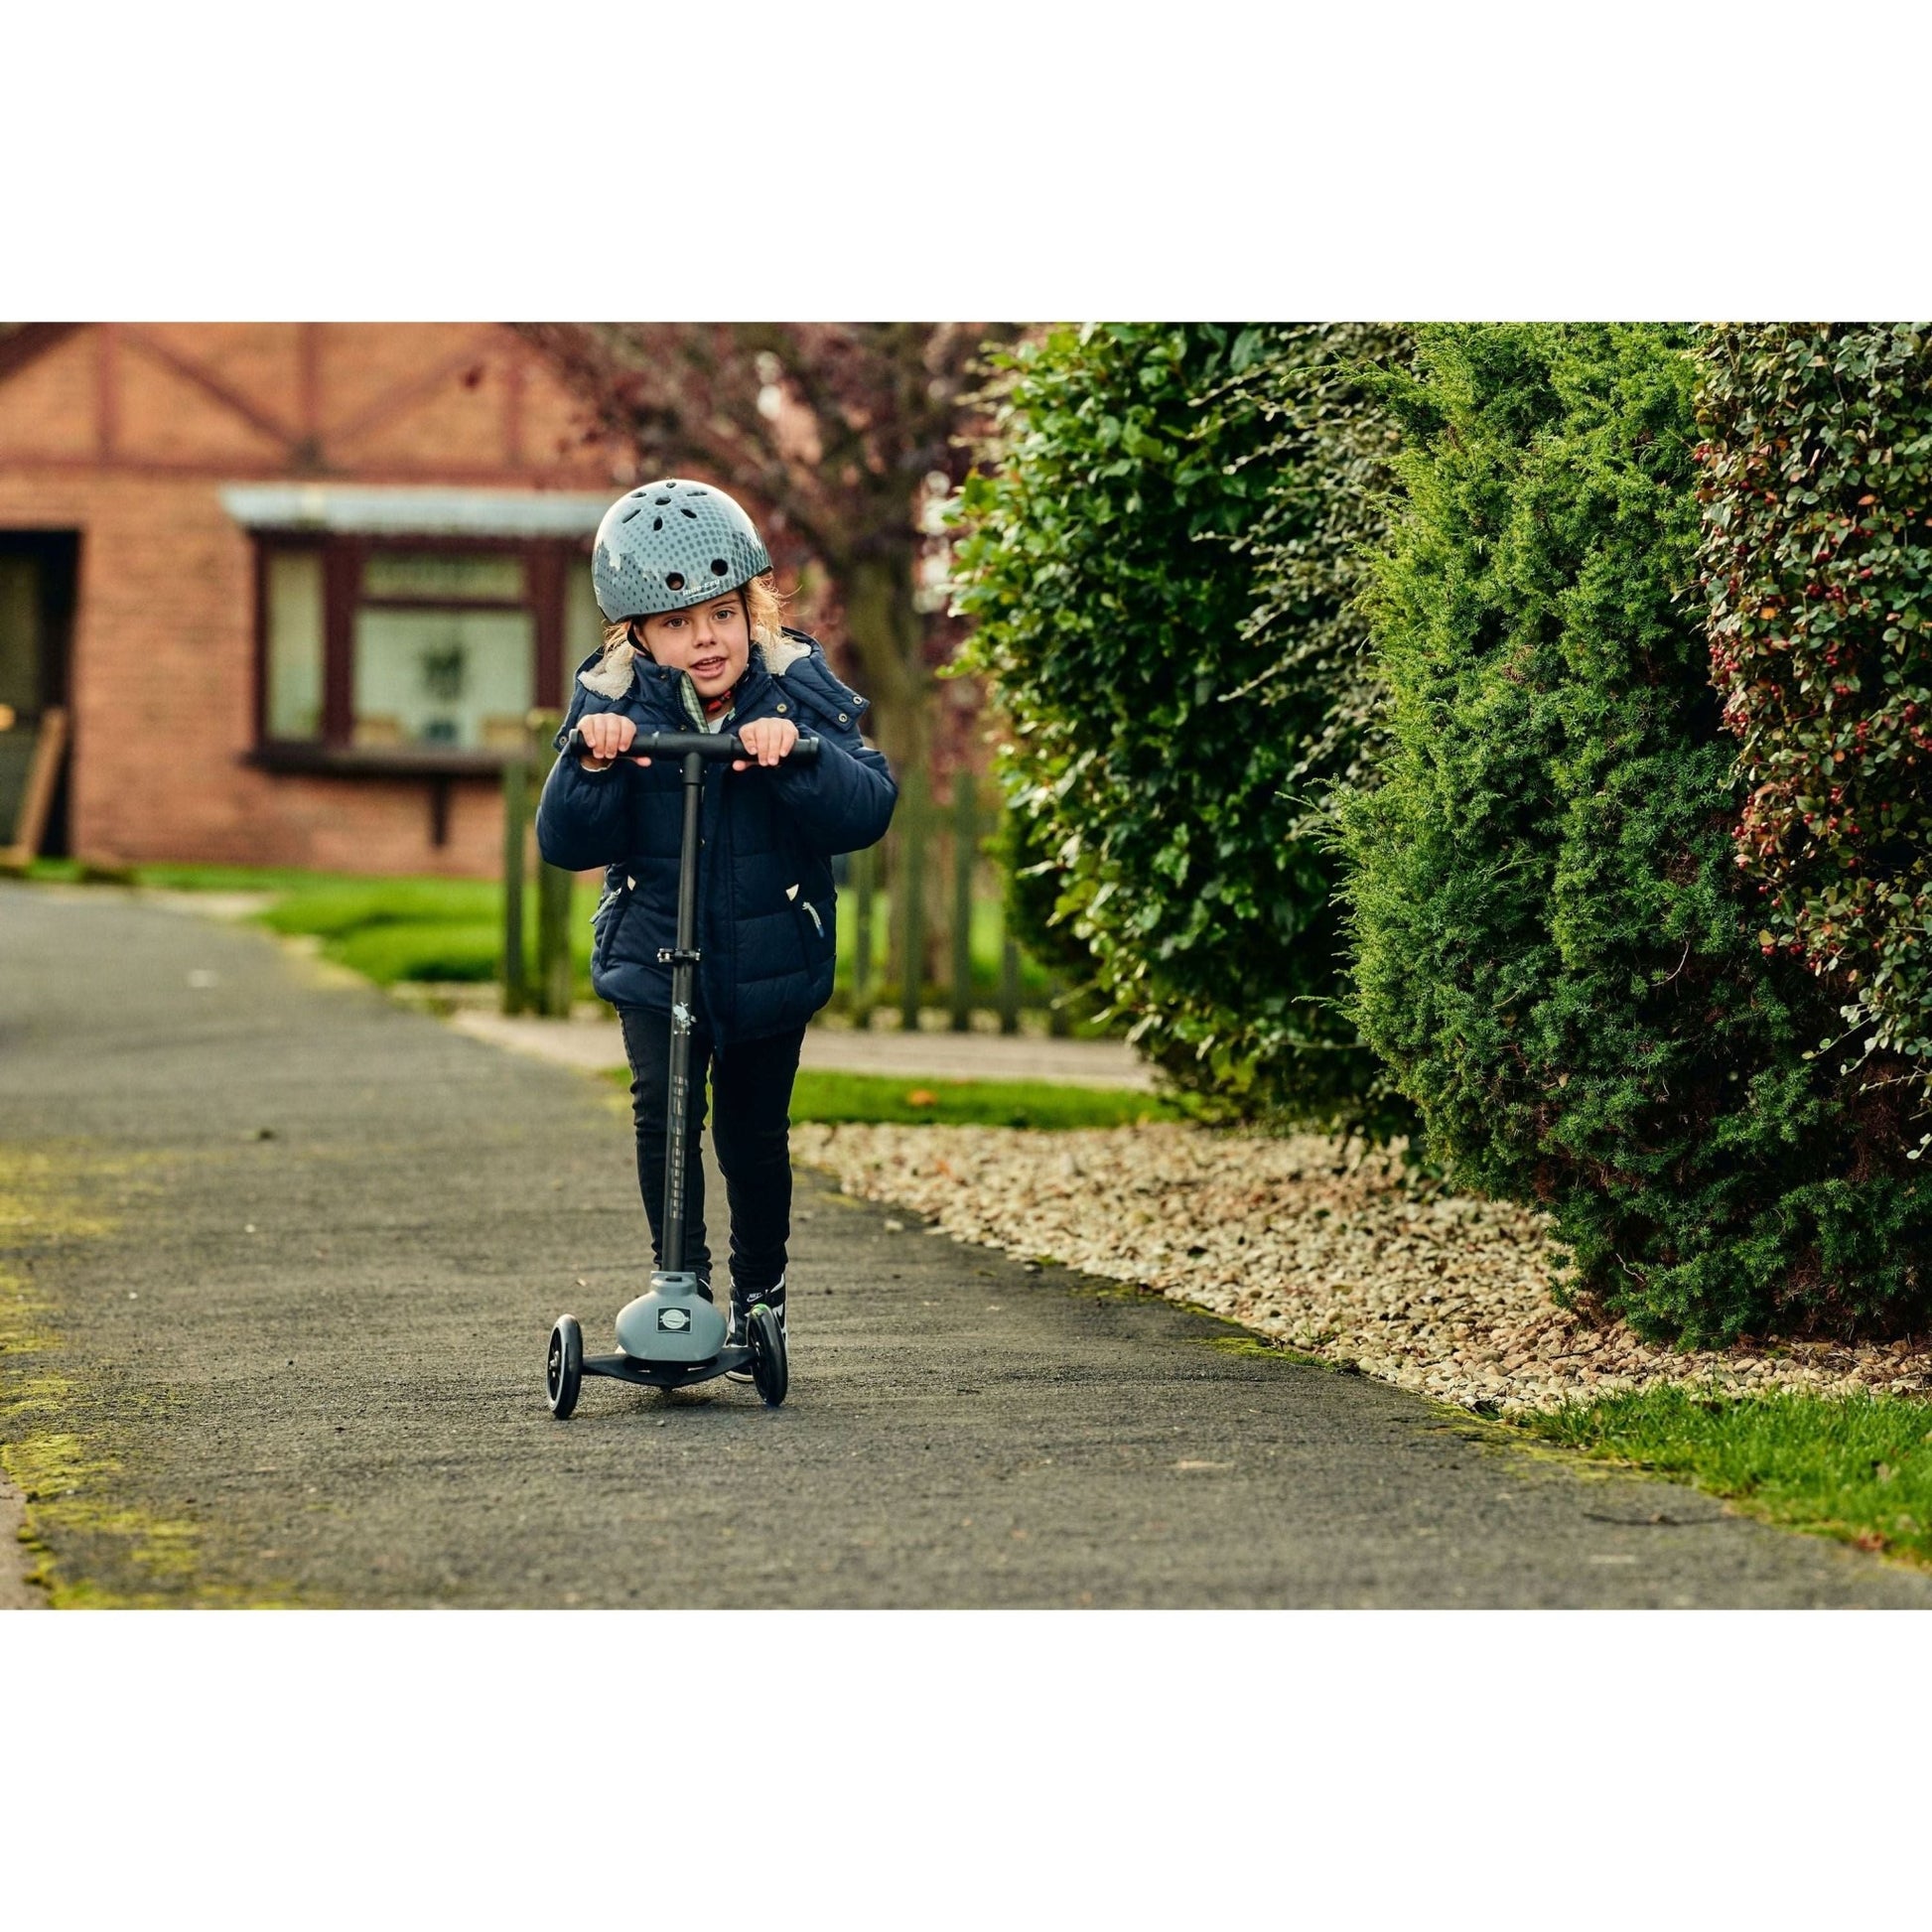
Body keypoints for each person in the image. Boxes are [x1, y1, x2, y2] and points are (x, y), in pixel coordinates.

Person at [536, 479, 897, 1356]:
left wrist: (794, 756)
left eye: (724, 614)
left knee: (751, 1136)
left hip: (769, 957)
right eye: (678, 623)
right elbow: (565, 841)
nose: (706, 639)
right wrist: (594, 763)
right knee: (663, 1111)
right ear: (640, 637)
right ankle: (682, 1284)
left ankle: (760, 1291)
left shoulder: (794, 687)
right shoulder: (616, 699)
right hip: (656, 951)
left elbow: (867, 806)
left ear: (753, 611)